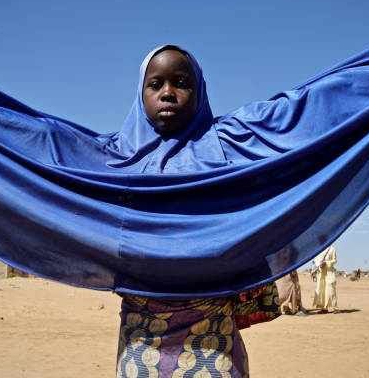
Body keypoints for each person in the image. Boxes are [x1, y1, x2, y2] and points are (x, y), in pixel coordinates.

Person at [116, 47, 281, 378]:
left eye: (181, 83)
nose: (168, 93)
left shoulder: (227, 150)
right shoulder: (116, 164)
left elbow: (294, 116)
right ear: (140, 92)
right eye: (155, 84)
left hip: (213, 345)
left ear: (200, 90)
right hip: (140, 347)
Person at [313, 245, 338, 314]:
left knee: (330, 289)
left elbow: (335, 260)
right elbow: (316, 260)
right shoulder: (318, 249)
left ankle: (335, 307)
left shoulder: (332, 249)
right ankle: (324, 308)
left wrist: (326, 263)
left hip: (329, 272)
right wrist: (318, 265)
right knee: (322, 289)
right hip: (321, 273)